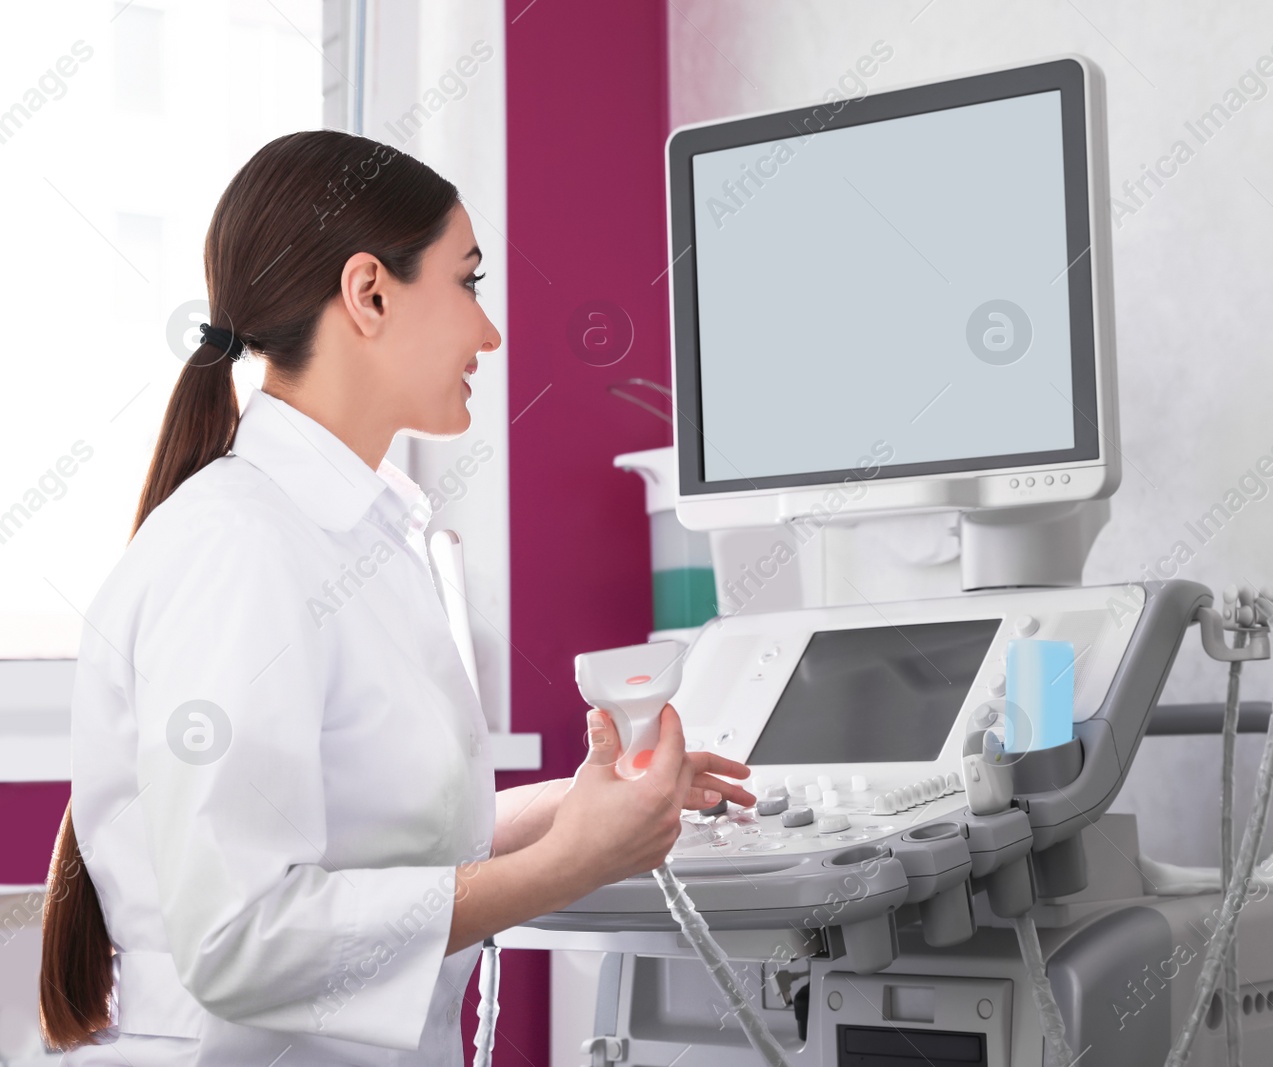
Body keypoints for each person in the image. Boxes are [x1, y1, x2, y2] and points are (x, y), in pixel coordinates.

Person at [39, 130, 753, 1065]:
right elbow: (242, 937)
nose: (488, 331)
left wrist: (580, 810)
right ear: (369, 292)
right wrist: (567, 864)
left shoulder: (364, 529)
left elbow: (365, 848)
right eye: (468, 281)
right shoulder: (238, 547)